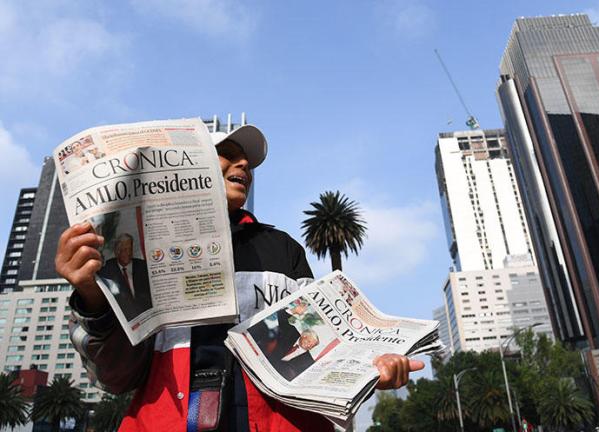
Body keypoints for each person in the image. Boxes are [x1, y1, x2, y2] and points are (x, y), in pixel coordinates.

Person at [55, 124, 424, 432]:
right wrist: (92, 296)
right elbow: (114, 378)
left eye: (247, 160)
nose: (244, 163)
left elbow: (321, 344)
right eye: (227, 153)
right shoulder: (137, 253)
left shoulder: (282, 249)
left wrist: (367, 367)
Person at [97, 233, 152, 321]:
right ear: (116, 252)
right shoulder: (107, 269)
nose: (128, 253)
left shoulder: (143, 266)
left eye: (130, 249)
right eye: (124, 249)